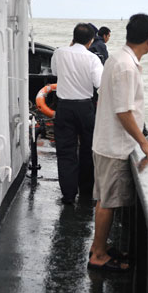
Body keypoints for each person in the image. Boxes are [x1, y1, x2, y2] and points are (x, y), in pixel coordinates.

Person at [88, 14, 148, 271]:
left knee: (104, 199)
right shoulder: (126, 66)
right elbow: (123, 111)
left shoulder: (117, 58)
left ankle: (100, 247)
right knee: (107, 202)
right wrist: (145, 143)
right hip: (115, 146)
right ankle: (97, 255)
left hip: (106, 142)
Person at [51, 23, 103, 204]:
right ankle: (86, 192)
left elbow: (55, 72)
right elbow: (100, 84)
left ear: (73, 37)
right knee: (87, 150)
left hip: (64, 107)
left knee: (66, 152)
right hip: (85, 108)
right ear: (91, 41)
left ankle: (68, 195)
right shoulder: (93, 59)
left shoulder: (59, 53)